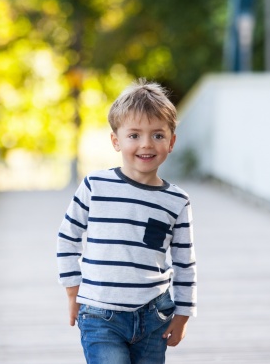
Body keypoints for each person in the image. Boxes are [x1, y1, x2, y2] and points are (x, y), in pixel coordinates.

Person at [56, 78, 197, 364]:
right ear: (116, 140)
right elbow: (67, 237)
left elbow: (185, 262)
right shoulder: (96, 185)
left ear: (171, 142)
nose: (146, 144)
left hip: (154, 316)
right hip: (100, 314)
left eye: (157, 135)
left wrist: (182, 315)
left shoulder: (177, 201)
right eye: (134, 135)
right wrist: (73, 291)